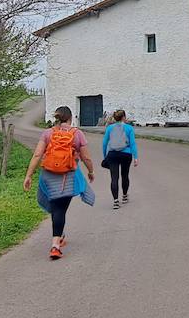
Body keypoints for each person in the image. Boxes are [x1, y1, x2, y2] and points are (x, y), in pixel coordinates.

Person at [23, 106, 94, 259]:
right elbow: (86, 157)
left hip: (48, 176)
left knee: (57, 208)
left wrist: (28, 175)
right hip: (67, 177)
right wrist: (90, 171)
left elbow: (37, 155)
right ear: (70, 118)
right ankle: (55, 246)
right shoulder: (77, 134)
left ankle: (59, 236)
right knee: (60, 209)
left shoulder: (47, 133)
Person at [101, 109, 138, 209]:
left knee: (114, 177)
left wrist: (105, 156)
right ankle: (125, 196)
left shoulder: (109, 128)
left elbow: (104, 143)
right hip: (126, 154)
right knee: (125, 175)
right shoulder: (129, 128)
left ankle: (116, 201)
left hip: (112, 155)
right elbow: (133, 144)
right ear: (124, 117)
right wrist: (136, 157)